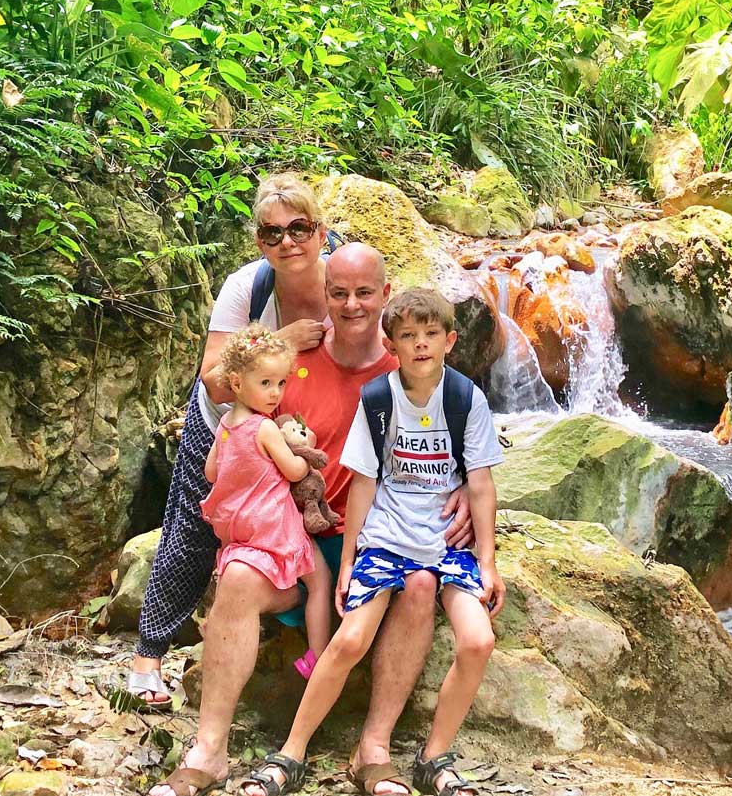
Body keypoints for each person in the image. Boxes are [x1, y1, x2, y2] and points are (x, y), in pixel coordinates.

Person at [147, 244, 474, 796]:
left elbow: (458, 437)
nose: (351, 305)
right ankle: (209, 751)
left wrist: (464, 484)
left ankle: (373, 750)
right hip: (293, 537)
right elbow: (235, 413)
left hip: (375, 539)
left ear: (385, 295)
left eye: (364, 293)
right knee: (239, 579)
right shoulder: (288, 367)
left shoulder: (409, 368)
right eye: (339, 293)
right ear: (325, 297)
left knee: (419, 584)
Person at [240, 288, 505, 796]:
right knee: (352, 637)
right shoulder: (379, 399)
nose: (421, 345)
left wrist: (487, 561)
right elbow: (362, 482)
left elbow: (481, 483)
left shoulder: (466, 399)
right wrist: (347, 564)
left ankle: (434, 759)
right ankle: (291, 753)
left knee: (479, 640)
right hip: (385, 537)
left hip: (446, 541)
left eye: (431, 335)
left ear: (450, 341)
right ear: (392, 344)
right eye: (408, 336)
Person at [130, 172, 330, 707]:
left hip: (296, 431)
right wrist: (279, 341)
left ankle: (274, 634)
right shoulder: (247, 287)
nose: (286, 242)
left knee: (290, 533)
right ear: (258, 242)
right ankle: (148, 657)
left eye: (299, 228)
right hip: (226, 424)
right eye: (272, 234)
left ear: (321, 232)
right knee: (195, 526)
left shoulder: (344, 289)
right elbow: (212, 377)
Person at [200, 323, 331, 677]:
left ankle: (215, 624)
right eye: (265, 383)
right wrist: (308, 452)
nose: (276, 393)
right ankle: (317, 656)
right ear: (237, 383)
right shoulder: (265, 427)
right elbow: (292, 471)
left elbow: (211, 472)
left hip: (239, 525)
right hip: (272, 523)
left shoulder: (226, 423)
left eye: (281, 383)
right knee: (319, 579)